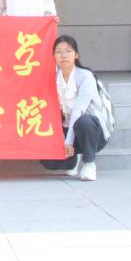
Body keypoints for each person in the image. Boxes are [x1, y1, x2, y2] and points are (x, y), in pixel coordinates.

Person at [41, 35, 109, 182]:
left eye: (68, 51)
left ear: (76, 55)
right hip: (66, 129)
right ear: (53, 56)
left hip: (92, 132)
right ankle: (72, 161)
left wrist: (69, 141)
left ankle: (89, 163)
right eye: (59, 52)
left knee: (84, 121)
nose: (63, 55)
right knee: (47, 159)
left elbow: (78, 111)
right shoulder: (53, 77)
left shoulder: (85, 76)